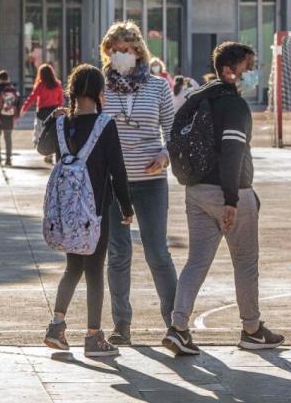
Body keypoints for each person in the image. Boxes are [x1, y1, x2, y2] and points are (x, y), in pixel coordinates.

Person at [164, 41, 284, 356]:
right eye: (249, 66)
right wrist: (231, 199)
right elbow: (232, 152)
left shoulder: (196, 98)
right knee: (245, 262)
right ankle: (252, 329)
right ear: (230, 71)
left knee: (196, 261)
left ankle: (178, 328)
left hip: (196, 191)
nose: (253, 72)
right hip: (230, 192)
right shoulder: (233, 106)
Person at [38, 64, 134, 358]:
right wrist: (126, 207)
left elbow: (43, 149)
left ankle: (57, 326)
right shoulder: (105, 125)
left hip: (67, 215)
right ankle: (93, 337)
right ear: (99, 92)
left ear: (73, 90)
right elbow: (117, 170)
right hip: (96, 213)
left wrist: (51, 120)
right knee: (94, 272)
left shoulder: (61, 123)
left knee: (73, 268)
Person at [98, 22, 178, 346]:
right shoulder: (101, 87)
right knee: (118, 253)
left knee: (158, 252)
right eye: (115, 50)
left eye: (127, 49)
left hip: (151, 181)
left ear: (139, 51)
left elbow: (174, 133)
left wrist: (165, 154)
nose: (122, 55)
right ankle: (121, 325)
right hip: (113, 184)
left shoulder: (158, 87)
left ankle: (176, 324)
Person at [21, 64, 65, 164]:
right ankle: (50, 155)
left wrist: (24, 108)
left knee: (42, 133)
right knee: (53, 133)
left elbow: (32, 97)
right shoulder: (58, 84)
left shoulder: (41, 85)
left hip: (42, 113)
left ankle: (46, 153)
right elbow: (61, 100)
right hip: (54, 112)